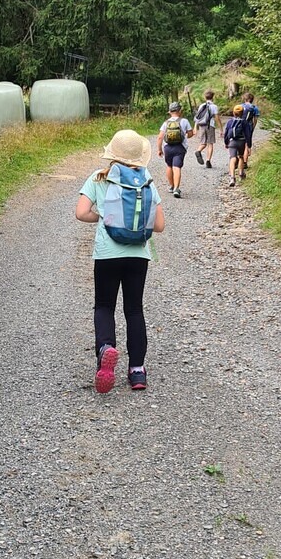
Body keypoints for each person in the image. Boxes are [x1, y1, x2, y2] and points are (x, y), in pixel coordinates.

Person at [76, 129, 165, 393]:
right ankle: (137, 371)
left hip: (107, 254)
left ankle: (106, 348)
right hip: (138, 254)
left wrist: (104, 218)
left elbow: (81, 213)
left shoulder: (99, 177)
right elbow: (159, 225)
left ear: (112, 154)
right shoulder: (147, 180)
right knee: (134, 309)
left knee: (104, 306)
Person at [157, 101, 194, 198]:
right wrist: (186, 134)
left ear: (170, 112)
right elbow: (190, 134)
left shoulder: (166, 123)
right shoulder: (184, 121)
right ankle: (176, 188)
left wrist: (159, 149)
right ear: (180, 111)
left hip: (168, 147)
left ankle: (171, 186)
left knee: (169, 166)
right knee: (177, 167)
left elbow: (160, 137)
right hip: (180, 147)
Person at [223, 103, 248, 187]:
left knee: (232, 158)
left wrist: (226, 143)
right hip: (241, 141)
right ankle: (241, 174)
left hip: (232, 142)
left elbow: (226, 133)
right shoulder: (244, 122)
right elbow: (248, 134)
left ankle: (232, 177)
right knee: (241, 156)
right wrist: (249, 145)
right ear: (242, 113)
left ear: (233, 112)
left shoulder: (230, 122)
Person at [193, 90, 219, 168]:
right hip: (210, 126)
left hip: (202, 125)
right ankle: (208, 161)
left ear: (205, 97)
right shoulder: (214, 106)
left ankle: (198, 151)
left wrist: (195, 127)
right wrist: (221, 128)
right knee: (210, 144)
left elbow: (198, 117)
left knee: (203, 143)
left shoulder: (202, 105)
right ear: (213, 97)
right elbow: (217, 118)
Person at [240, 92, 260, 171]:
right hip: (248, 127)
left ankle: (238, 160)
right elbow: (255, 119)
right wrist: (253, 127)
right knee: (247, 144)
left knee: (239, 142)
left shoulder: (240, 106)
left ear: (245, 99)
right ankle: (245, 162)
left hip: (240, 126)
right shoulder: (254, 108)